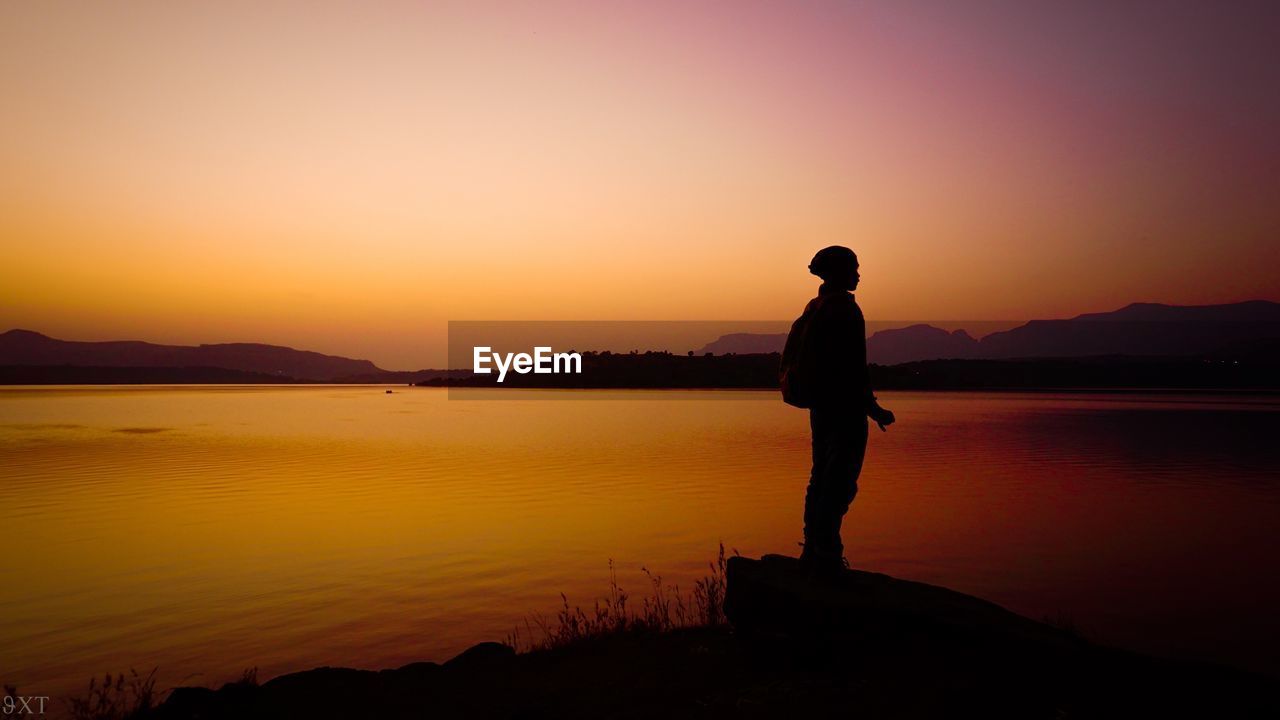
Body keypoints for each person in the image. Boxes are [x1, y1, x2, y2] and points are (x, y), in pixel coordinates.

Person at [787, 245, 895, 574]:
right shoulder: (845, 310)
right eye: (854, 268)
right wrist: (872, 408)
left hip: (821, 405)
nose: (859, 274)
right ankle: (827, 550)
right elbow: (852, 366)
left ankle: (815, 546)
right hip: (844, 407)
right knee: (841, 479)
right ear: (838, 271)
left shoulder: (815, 306)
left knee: (821, 476)